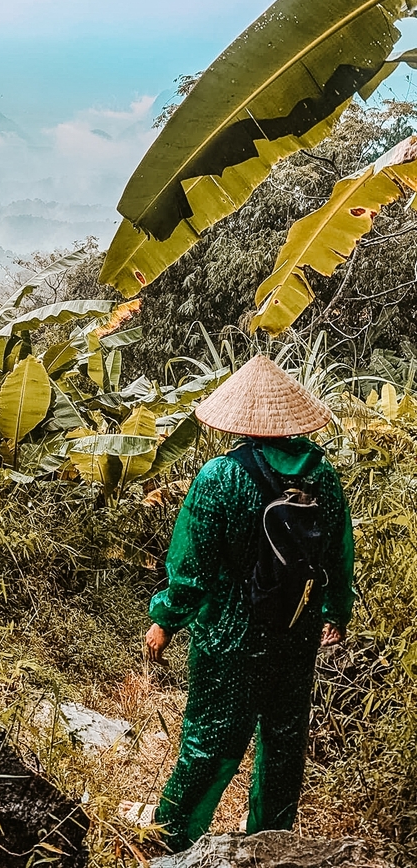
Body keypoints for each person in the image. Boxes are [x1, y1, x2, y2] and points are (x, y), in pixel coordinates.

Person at [145, 355, 354, 851]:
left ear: (239, 421)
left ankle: (168, 841)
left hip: (229, 637)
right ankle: (272, 844)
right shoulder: (322, 477)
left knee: (210, 738)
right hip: (296, 630)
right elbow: (338, 552)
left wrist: (164, 621)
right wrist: (335, 613)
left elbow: (190, 570)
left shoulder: (219, 477)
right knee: (283, 743)